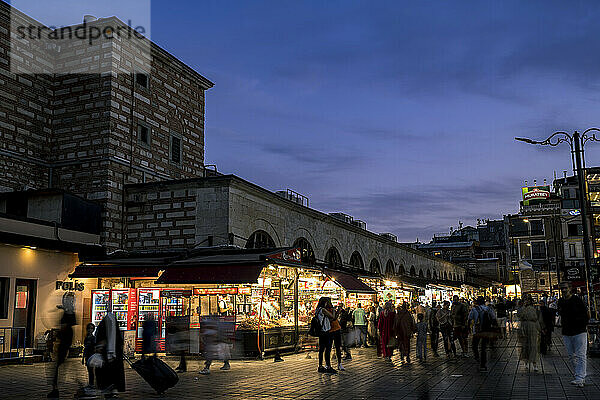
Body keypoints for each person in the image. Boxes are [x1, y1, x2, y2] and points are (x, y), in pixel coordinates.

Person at [557, 281, 589, 388]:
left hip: (579, 331)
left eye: (565, 288)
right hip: (567, 331)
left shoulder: (577, 300)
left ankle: (580, 377)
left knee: (581, 355)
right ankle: (578, 375)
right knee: (571, 356)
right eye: (562, 289)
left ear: (570, 288)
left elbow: (585, 314)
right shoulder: (560, 301)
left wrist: (582, 324)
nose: (563, 290)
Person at [47, 292, 77, 399]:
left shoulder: (68, 314)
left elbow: (64, 327)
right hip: (65, 342)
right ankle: (56, 388)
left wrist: (57, 334)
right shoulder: (70, 312)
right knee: (61, 367)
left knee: (58, 368)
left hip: (64, 343)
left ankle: (56, 389)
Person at [95, 303, 126, 397]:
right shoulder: (113, 323)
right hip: (114, 354)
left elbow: (101, 336)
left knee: (107, 373)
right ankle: (114, 389)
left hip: (107, 353)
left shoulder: (104, 322)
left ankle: (108, 388)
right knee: (115, 373)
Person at [469, 296, 496, 372]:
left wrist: (469, 327)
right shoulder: (488, 308)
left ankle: (477, 358)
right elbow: (493, 318)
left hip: (477, 330)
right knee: (483, 348)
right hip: (486, 330)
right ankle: (483, 364)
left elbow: (470, 318)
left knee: (474, 345)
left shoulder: (474, 309)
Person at [517, 294, 543, 372]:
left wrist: (540, 328)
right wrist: (523, 307)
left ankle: (535, 364)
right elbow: (519, 315)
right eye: (525, 300)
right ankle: (526, 362)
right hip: (524, 327)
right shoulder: (521, 309)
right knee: (525, 345)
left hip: (533, 326)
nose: (527, 301)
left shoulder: (535, 308)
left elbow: (539, 318)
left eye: (528, 300)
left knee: (534, 345)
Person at [314, 297, 336, 374]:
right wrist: (333, 310)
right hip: (325, 331)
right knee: (327, 349)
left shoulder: (317, 310)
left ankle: (320, 366)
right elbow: (332, 317)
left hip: (321, 332)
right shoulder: (323, 310)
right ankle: (328, 366)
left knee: (321, 350)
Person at [328, 301, 345, 371]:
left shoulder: (333, 311)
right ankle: (328, 364)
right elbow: (333, 318)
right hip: (330, 330)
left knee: (338, 347)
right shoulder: (325, 311)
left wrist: (337, 312)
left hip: (336, 329)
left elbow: (335, 318)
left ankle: (339, 363)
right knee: (328, 348)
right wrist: (336, 312)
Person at [82, 323, 97, 390]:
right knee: (89, 370)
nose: (90, 330)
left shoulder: (93, 338)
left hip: (92, 355)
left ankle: (92, 383)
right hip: (87, 356)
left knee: (91, 370)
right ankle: (91, 383)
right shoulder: (86, 338)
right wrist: (83, 357)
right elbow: (85, 348)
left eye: (91, 328)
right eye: (89, 328)